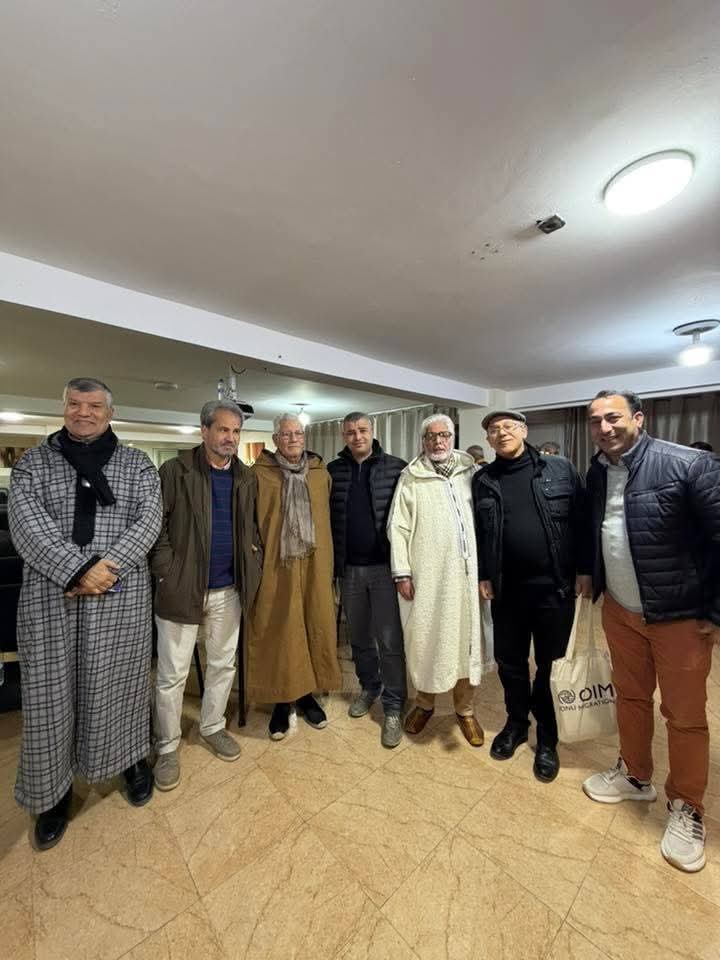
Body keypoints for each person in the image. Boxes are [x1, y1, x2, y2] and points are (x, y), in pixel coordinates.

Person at [8, 377, 162, 850]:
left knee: (121, 684)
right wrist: (76, 571)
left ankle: (131, 761)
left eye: (94, 405)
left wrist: (101, 572)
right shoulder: (33, 463)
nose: (84, 412)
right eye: (75, 404)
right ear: (64, 408)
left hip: (119, 594)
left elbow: (148, 521)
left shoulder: (137, 464)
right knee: (50, 697)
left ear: (109, 413)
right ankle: (52, 794)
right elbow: (26, 525)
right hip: (52, 595)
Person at [581, 389, 720, 874]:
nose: (604, 428)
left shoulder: (689, 465)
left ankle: (687, 806)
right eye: (595, 420)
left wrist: (715, 610)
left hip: (678, 615)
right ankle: (636, 775)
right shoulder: (598, 470)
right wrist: (591, 575)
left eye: (613, 417)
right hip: (621, 610)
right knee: (631, 697)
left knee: (684, 716)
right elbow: (600, 528)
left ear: (639, 418)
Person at [151, 400, 263, 790]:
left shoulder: (246, 477)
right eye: (223, 429)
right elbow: (156, 528)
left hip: (228, 590)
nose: (230, 438)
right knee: (172, 675)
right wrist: (168, 571)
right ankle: (167, 747)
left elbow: (252, 528)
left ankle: (213, 725)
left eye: (236, 431)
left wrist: (253, 560)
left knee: (223, 665)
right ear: (204, 431)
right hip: (182, 588)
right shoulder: (175, 471)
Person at [473, 410, 588, 782]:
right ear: (488, 440)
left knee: (551, 665)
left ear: (523, 431)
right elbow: (479, 533)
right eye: (494, 429)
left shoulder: (560, 469)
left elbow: (582, 521)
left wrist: (585, 570)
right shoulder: (483, 479)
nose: (501, 433)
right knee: (510, 663)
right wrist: (484, 574)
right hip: (507, 590)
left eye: (508, 426)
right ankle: (517, 724)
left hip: (554, 588)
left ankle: (548, 737)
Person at [388, 414, 491, 746]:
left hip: (467, 577)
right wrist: (402, 572)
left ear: (452, 437)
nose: (438, 441)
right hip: (428, 576)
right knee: (427, 637)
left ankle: (465, 709)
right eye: (431, 436)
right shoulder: (411, 478)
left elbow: (487, 521)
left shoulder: (470, 473)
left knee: (466, 640)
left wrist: (488, 571)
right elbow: (398, 528)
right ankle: (424, 703)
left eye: (444, 435)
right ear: (423, 441)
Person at [245, 414, 341, 739]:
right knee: (280, 630)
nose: (293, 439)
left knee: (314, 624)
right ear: (275, 439)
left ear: (305, 436)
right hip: (276, 566)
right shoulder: (259, 475)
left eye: (298, 433)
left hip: (315, 565)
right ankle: (281, 699)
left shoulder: (320, 474)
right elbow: (249, 524)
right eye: (286, 434)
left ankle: (306, 694)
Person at [328, 412, 407, 747]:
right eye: (350, 432)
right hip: (349, 570)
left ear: (372, 432)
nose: (357, 436)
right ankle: (369, 687)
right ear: (344, 436)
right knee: (359, 638)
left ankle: (394, 704)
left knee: (390, 641)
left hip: (385, 569)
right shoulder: (333, 471)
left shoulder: (396, 467)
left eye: (362, 430)